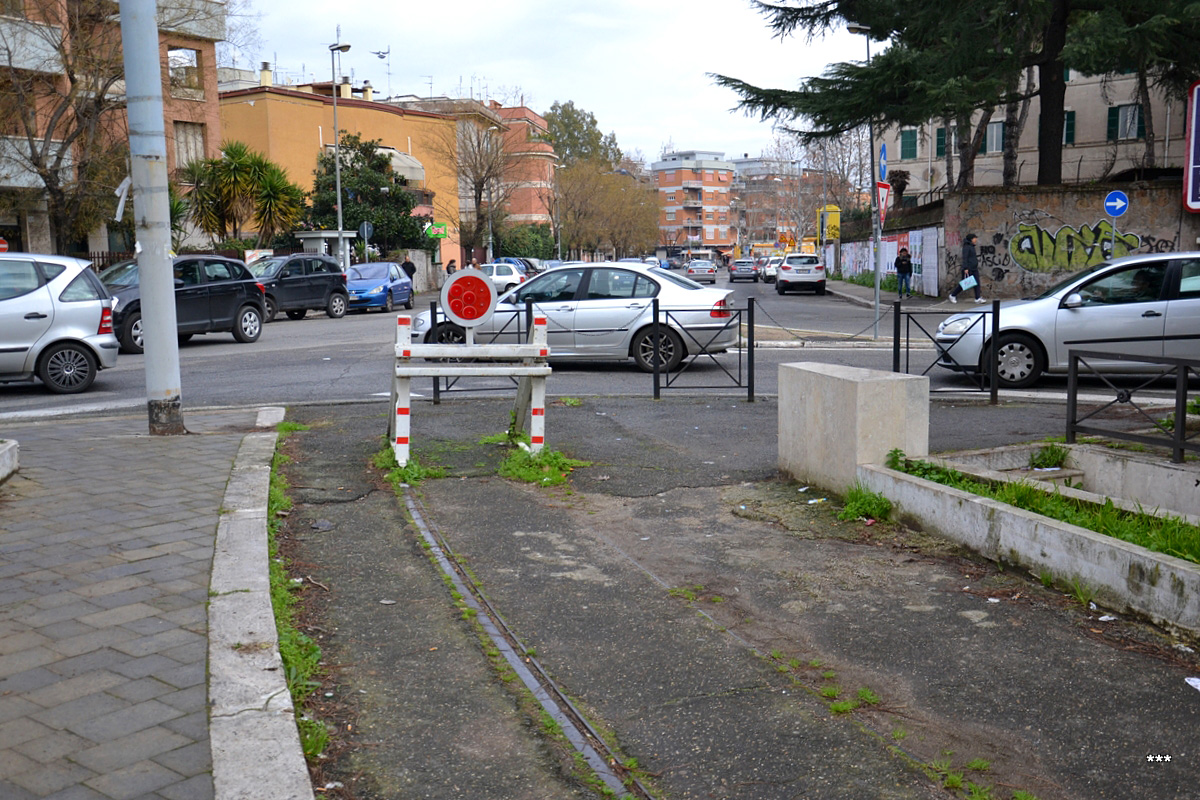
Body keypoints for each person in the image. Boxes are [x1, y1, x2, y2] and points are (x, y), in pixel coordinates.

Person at [949, 233, 984, 304]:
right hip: (968, 268)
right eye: (975, 238)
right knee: (964, 284)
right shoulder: (967, 247)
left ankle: (977, 298)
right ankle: (953, 295)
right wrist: (965, 268)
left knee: (977, 283)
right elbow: (965, 258)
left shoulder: (972, 246)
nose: (976, 240)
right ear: (971, 239)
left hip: (974, 268)